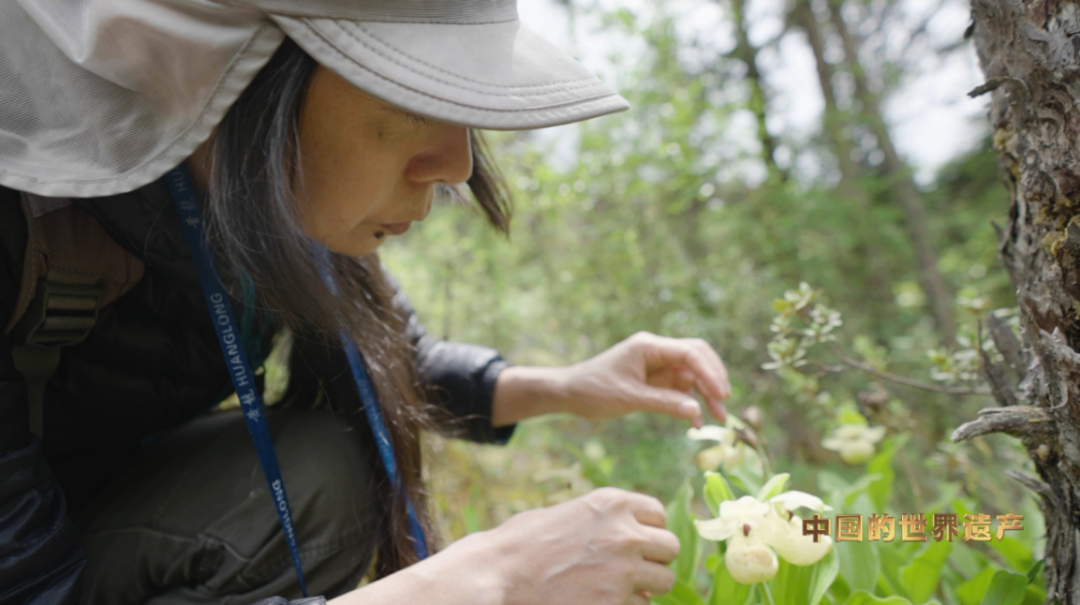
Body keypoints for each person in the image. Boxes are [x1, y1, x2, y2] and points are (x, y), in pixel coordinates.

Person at [0, 1, 733, 604]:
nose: (458, 166)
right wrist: (485, 581)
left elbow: (391, 364)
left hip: (80, 517)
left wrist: (566, 388)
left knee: (318, 463)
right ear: (242, 72)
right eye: (413, 92)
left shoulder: (278, 205)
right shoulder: (23, 213)